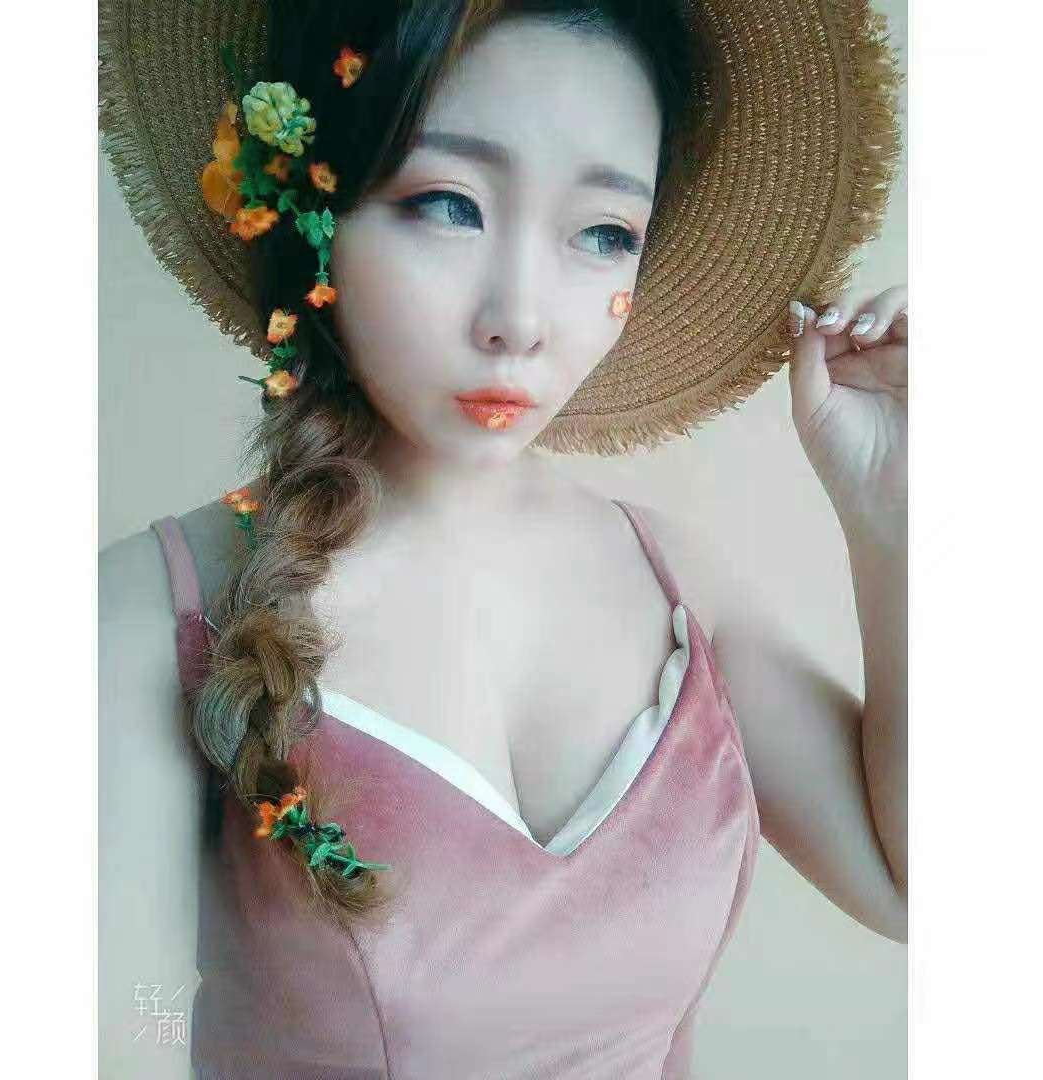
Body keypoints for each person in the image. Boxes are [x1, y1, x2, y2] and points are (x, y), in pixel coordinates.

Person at [97, 2, 907, 1076]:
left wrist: (894, 511)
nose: (520, 320)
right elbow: (122, 1033)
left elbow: (913, 888)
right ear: (315, 208)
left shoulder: (675, 584)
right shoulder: (146, 620)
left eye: (604, 233)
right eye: (449, 205)